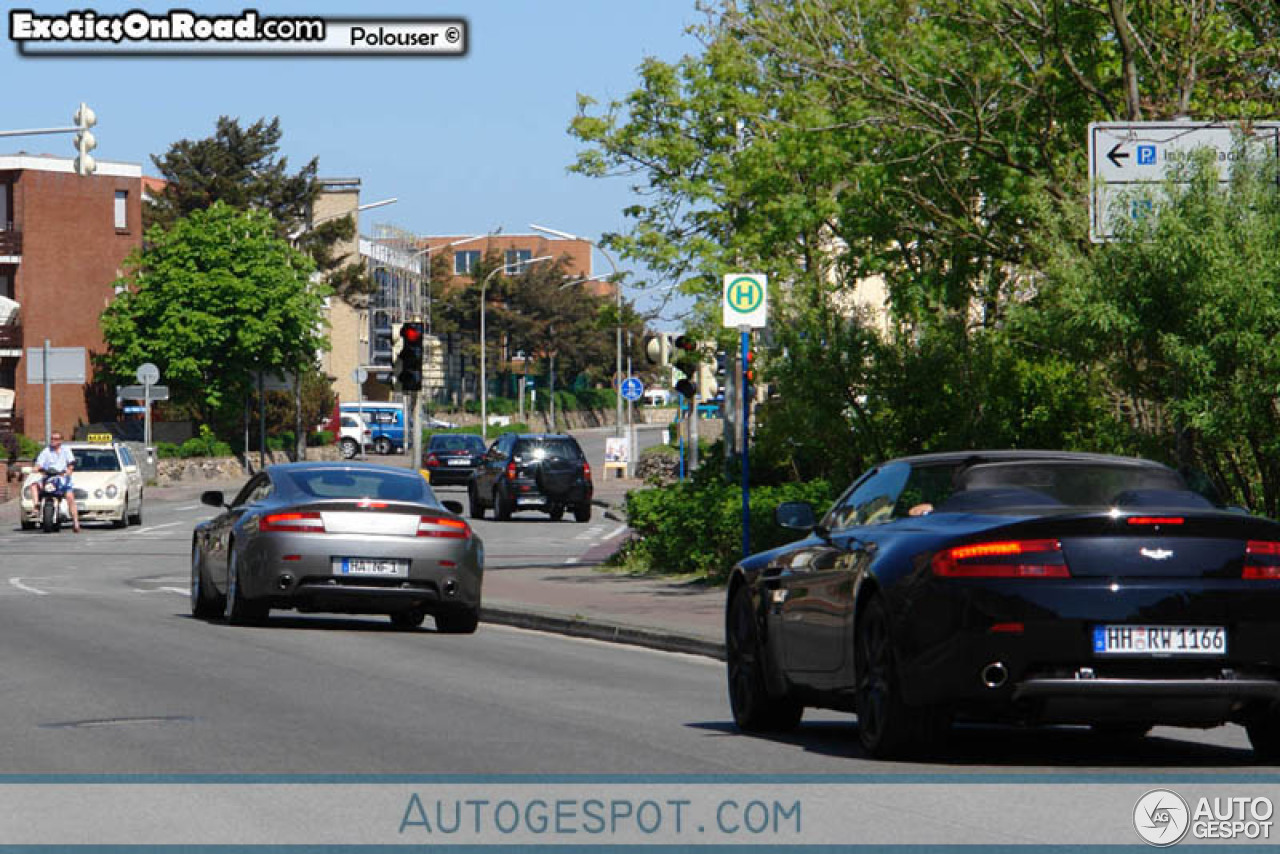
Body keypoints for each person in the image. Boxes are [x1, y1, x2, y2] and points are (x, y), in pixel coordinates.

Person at [27, 431, 80, 532]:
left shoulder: (66, 450)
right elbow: (39, 464)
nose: (53, 441)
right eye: (52, 439)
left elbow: (71, 463)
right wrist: (36, 468)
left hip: (62, 479)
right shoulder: (46, 451)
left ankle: (76, 522)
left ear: (60, 440)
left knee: (70, 497)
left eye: (55, 439)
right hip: (48, 478)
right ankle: (36, 506)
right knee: (33, 485)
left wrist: (69, 470)